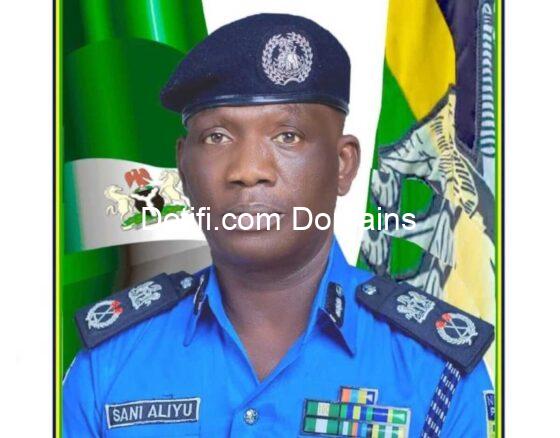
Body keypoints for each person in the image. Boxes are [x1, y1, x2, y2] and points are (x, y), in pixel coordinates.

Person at [63, 13, 494, 438]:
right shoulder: (108, 365)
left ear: (343, 164)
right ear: (183, 168)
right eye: (217, 137)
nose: (249, 170)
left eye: (287, 136)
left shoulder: (437, 372)